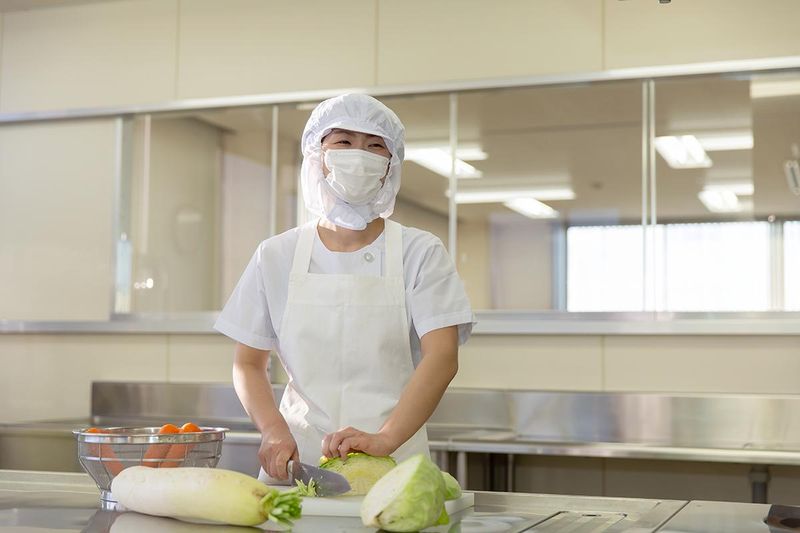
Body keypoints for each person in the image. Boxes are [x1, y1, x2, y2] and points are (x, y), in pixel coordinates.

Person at [214, 93, 474, 482]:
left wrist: (385, 439)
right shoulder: (277, 254)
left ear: (390, 164)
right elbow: (248, 363)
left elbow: (442, 356)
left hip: (393, 463)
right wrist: (272, 429)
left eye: (374, 146)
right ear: (317, 155)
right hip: (298, 463)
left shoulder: (420, 251)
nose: (358, 155)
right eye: (344, 141)